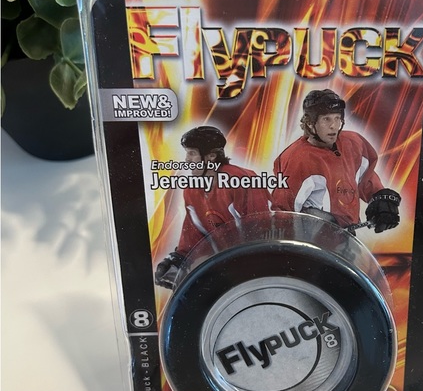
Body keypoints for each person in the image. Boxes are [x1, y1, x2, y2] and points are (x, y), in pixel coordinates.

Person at [155, 125, 270, 288]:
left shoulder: (242, 180)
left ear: (211, 156)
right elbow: (193, 235)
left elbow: (262, 232)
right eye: (187, 153)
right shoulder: (191, 189)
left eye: (192, 153)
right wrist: (179, 260)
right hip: (229, 268)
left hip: (258, 268)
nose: (187, 160)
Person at [272, 89, 401, 233]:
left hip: (346, 237)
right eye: (326, 119)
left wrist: (381, 198)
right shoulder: (298, 159)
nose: (333, 125)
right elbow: (282, 213)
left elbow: (366, 177)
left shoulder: (353, 144)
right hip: (313, 240)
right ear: (310, 123)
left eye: (337, 118)